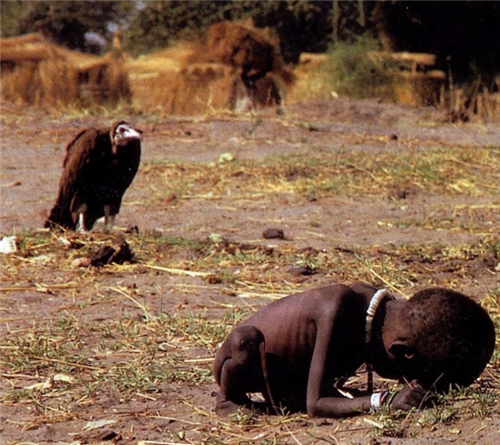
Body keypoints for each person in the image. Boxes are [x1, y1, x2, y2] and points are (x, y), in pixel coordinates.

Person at [213, 282, 495, 417]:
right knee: (244, 343)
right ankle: (229, 401)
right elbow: (316, 404)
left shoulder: (380, 315)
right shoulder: (337, 309)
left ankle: (283, 398)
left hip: (289, 377)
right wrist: (383, 400)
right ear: (401, 352)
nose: (408, 384)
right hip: (246, 362)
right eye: (408, 377)